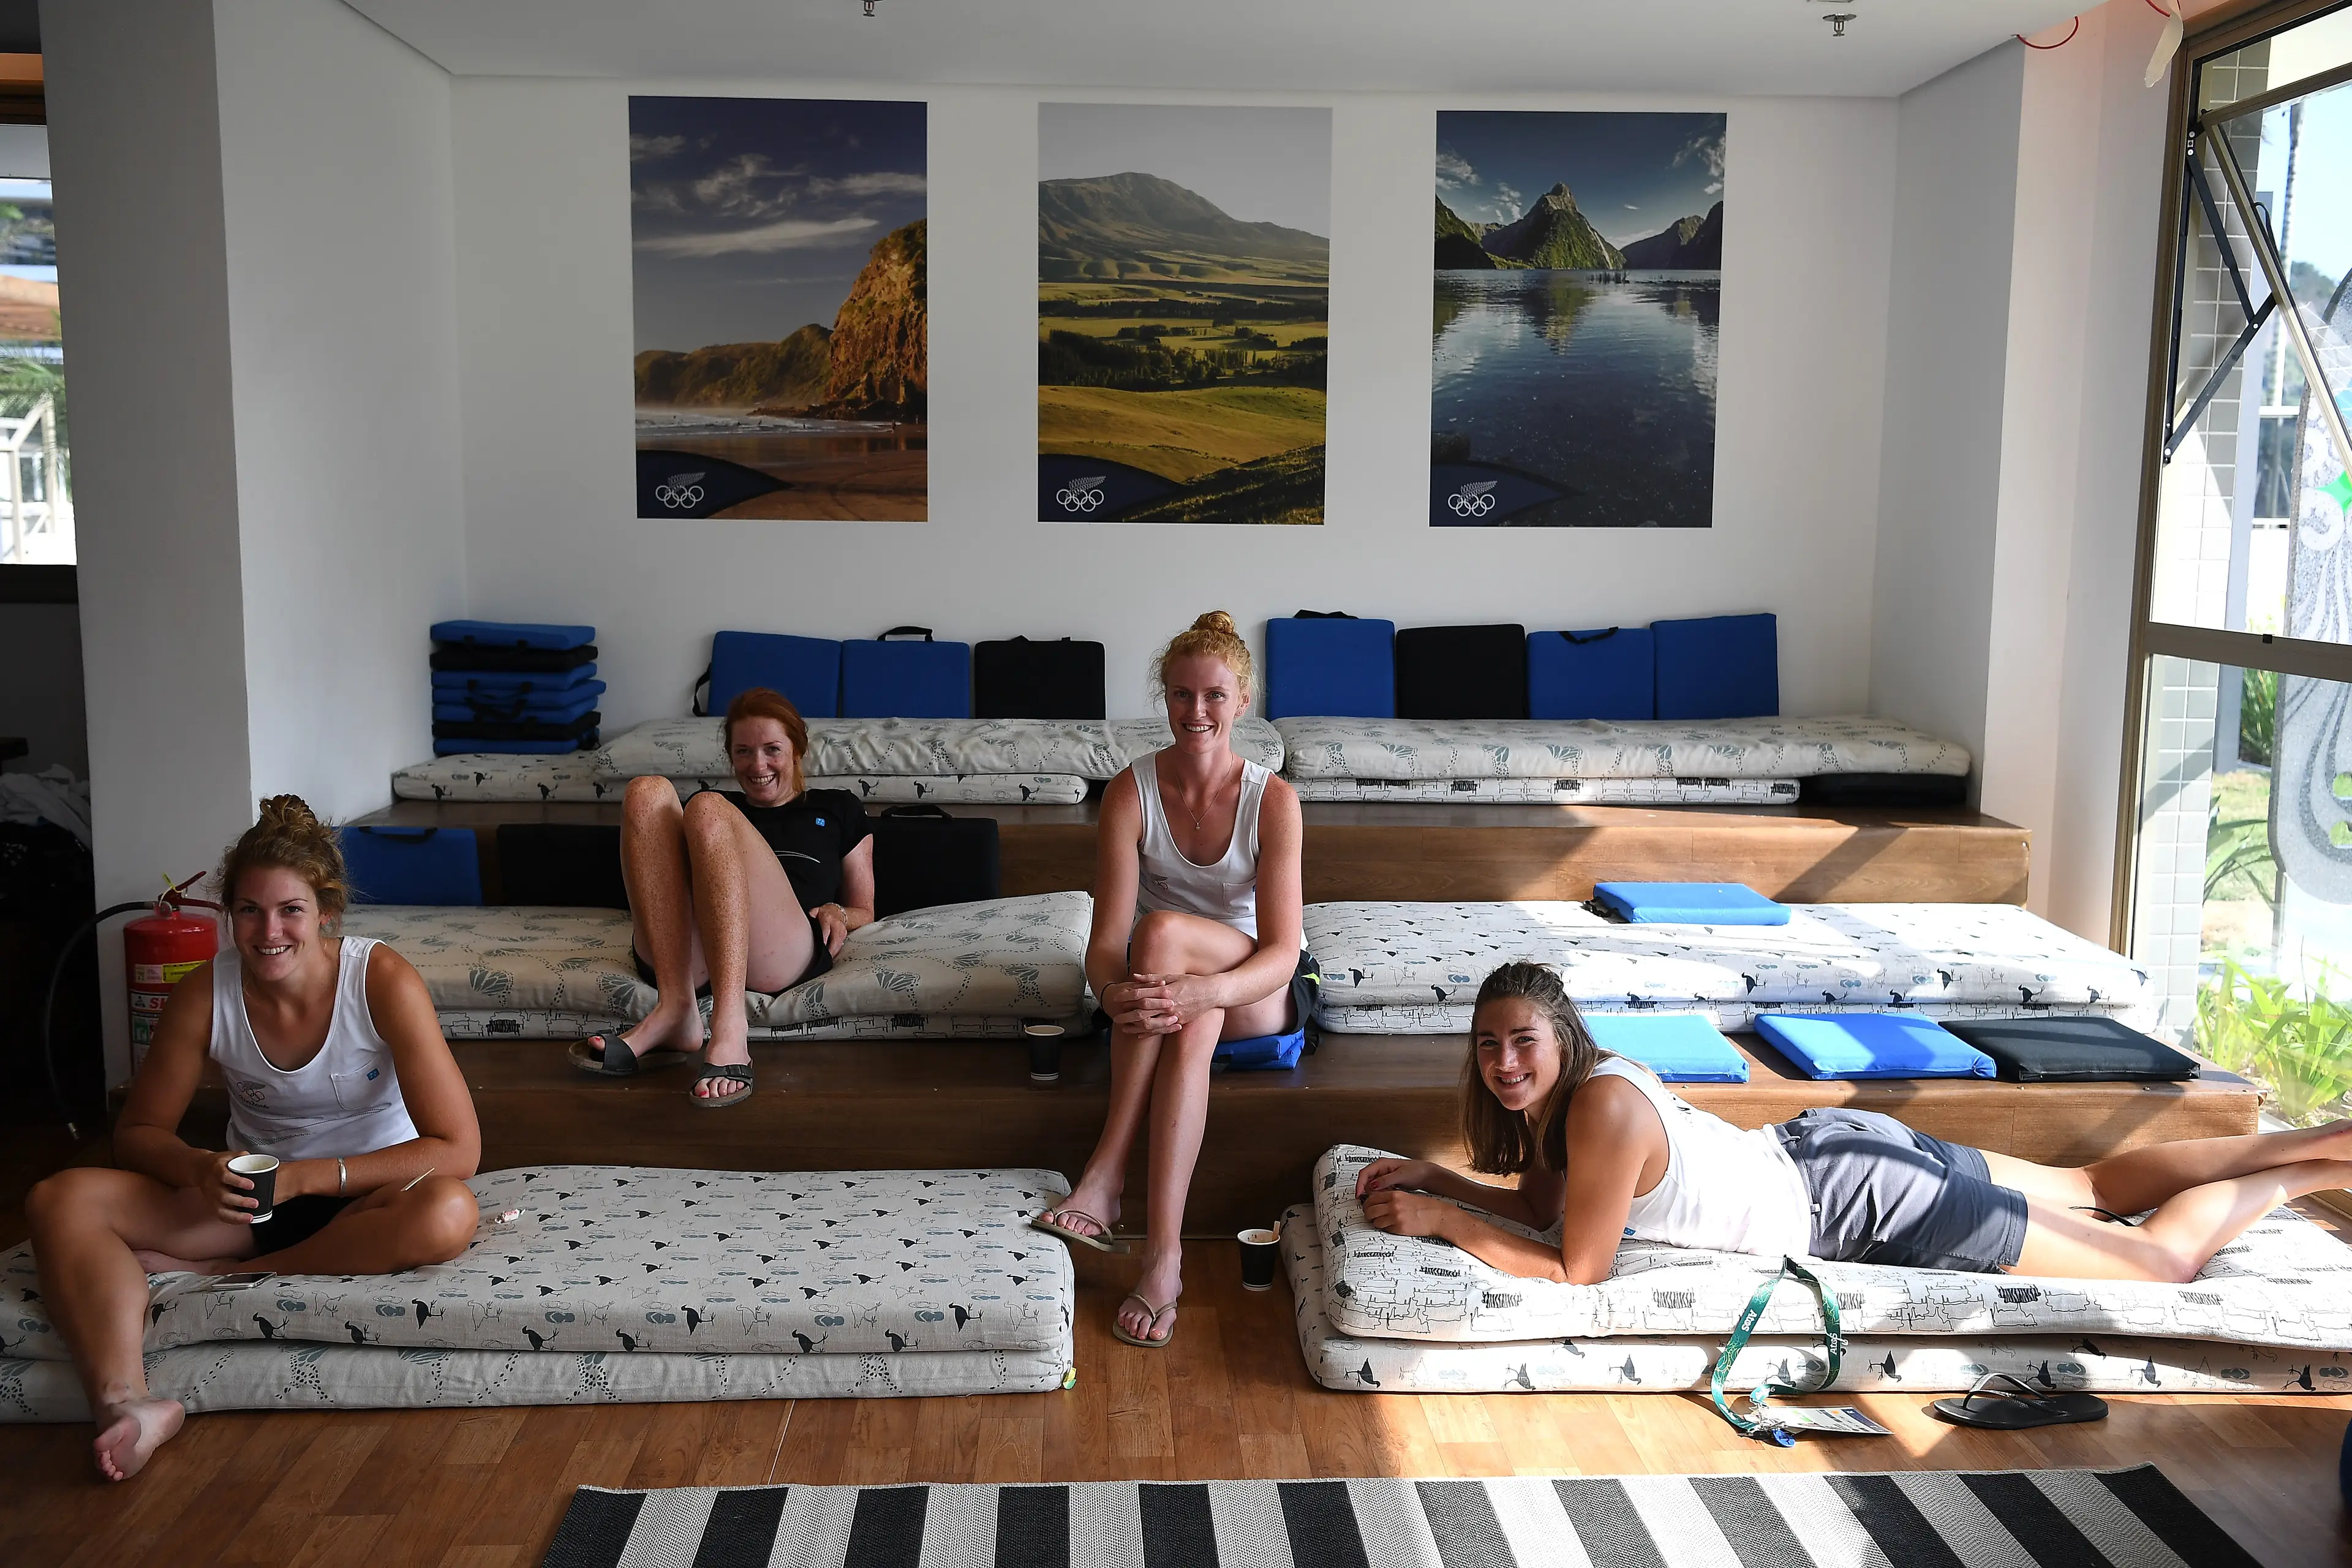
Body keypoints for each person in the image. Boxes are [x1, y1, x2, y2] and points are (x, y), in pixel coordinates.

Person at [1357, 961, 2352, 1287]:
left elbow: (1577, 1269)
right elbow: (1543, 1210)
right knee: (2090, 1191)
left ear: (1561, 1033)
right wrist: (1442, 1182)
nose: (1504, 1063)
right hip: (1831, 1149)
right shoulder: (1573, 1092)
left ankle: (2306, 1172)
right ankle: (2322, 1143)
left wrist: (1446, 1224)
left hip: (1856, 1198)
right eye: (1487, 1047)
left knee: (2159, 1264)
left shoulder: (1602, 1109)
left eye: (1521, 1041)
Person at [26, 796, 483, 1483]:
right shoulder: (204, 993)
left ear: (326, 912)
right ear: (228, 913)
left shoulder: (380, 979)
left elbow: (458, 1148)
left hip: (372, 1197)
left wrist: (308, 1177)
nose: (269, 932)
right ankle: (127, 1401)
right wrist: (198, 1167)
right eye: (249, 910)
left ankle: (228, 1277)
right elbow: (138, 1134)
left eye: (290, 910)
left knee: (449, 1212)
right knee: (57, 1199)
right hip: (250, 1200)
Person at [1032, 612, 1310, 1348]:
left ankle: (1106, 1173)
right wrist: (1112, 991)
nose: (1197, 711)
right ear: (1164, 697)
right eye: (1182, 694)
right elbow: (1103, 947)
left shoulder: (1273, 801)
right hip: (1172, 997)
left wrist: (1206, 989)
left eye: (1214, 695)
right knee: (1179, 1000)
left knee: (1161, 937)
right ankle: (1164, 1260)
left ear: (1242, 700)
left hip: (1255, 988)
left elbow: (1282, 952)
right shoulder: (1131, 792)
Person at [574, 687, 873, 1105]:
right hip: (694, 953)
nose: (758, 765)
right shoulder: (712, 810)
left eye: (772, 750)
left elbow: (865, 909)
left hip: (780, 948)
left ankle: (730, 1026)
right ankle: (676, 1010)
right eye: (743, 752)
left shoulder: (837, 808)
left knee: (706, 807)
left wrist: (838, 911)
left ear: (797, 750)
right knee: (646, 792)